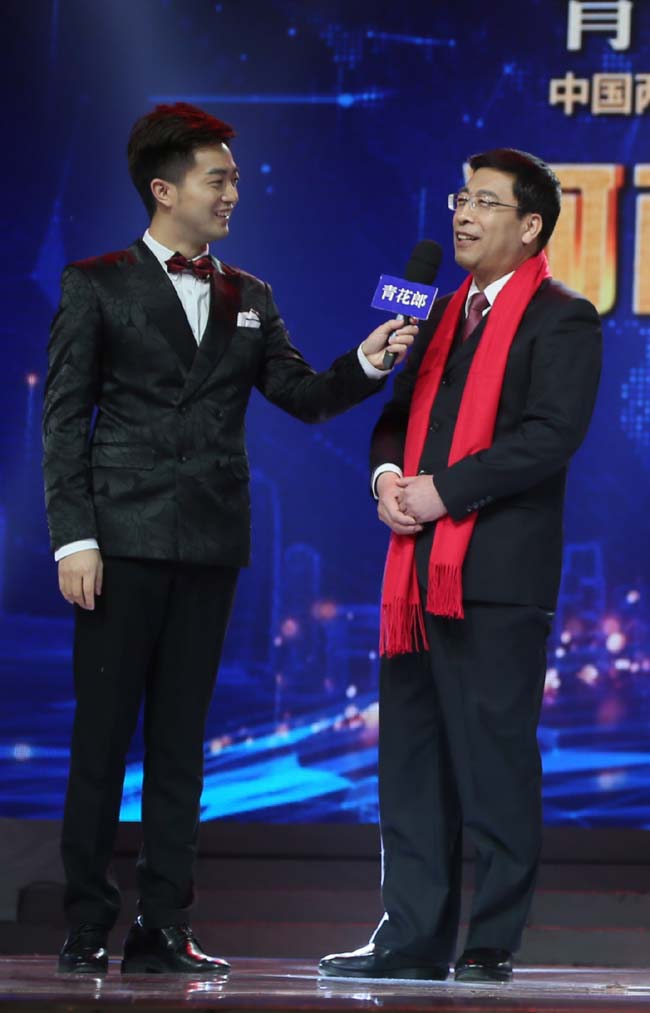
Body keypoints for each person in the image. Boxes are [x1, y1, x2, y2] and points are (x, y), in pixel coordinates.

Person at [43, 102, 416, 977]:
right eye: (218, 178)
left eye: (237, 179)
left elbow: (304, 396)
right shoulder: (95, 284)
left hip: (211, 544)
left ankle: (164, 925)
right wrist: (73, 539)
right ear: (163, 188)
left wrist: (367, 362)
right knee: (101, 741)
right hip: (118, 543)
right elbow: (62, 421)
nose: (233, 194)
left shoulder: (252, 295)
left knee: (183, 744)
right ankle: (86, 921)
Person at [319, 148, 602, 984]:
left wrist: (443, 492)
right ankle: (409, 935)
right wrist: (387, 479)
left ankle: (491, 938)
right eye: (460, 199)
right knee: (410, 763)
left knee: (494, 762)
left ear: (531, 225)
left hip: (496, 580)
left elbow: (550, 435)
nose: (464, 215)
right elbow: (394, 418)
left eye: (485, 202)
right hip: (414, 578)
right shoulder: (436, 315)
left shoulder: (564, 317)